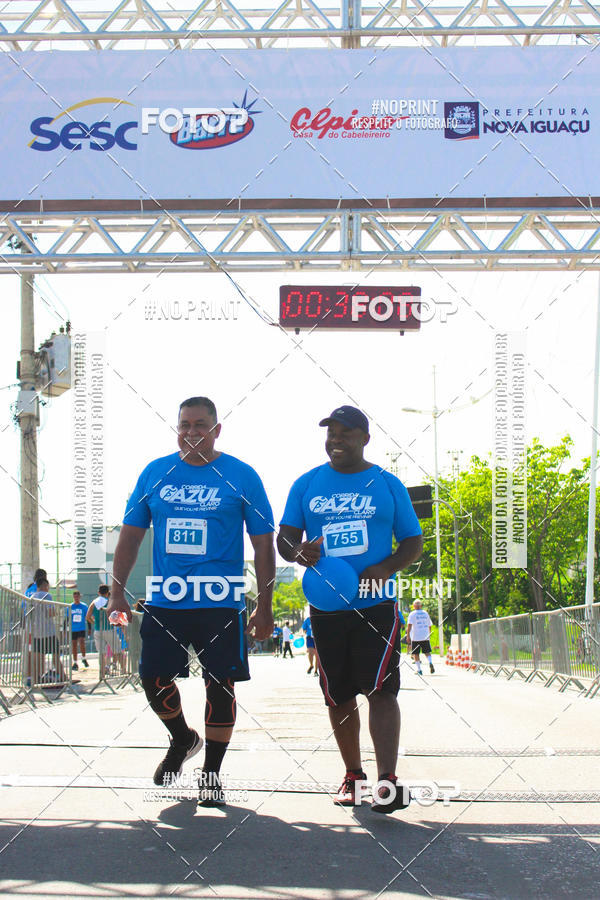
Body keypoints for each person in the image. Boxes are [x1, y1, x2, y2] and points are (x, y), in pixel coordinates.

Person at [107, 396, 275, 807]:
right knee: (152, 677)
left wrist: (265, 604)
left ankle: (211, 774)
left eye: (200, 424)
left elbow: (263, 542)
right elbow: (130, 537)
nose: (191, 432)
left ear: (217, 430)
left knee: (221, 684)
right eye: (184, 424)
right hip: (167, 599)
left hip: (221, 599)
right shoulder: (155, 473)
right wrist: (116, 593)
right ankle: (183, 739)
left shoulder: (242, 476)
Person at [278, 405, 423, 814]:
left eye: (345, 433)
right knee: (337, 695)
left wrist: (386, 567)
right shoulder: (307, 484)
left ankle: (387, 781)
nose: (336, 440)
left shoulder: (387, 484)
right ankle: (353, 776)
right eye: (331, 434)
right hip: (326, 607)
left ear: (365, 438)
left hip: (376, 604)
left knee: (381, 689)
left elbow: (413, 543)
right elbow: (285, 540)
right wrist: (298, 552)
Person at [27, 577, 66, 684]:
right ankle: (63, 678)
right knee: (56, 656)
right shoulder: (47, 595)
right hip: (48, 631)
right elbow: (50, 613)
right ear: (45, 585)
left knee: (38, 658)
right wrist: (57, 612)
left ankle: (35, 680)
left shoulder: (32, 597)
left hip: (36, 632)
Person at [86, 584, 119, 679]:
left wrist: (94, 623)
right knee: (118, 650)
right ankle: (120, 669)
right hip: (109, 629)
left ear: (98, 592)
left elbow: (88, 617)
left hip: (98, 630)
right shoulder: (110, 602)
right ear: (108, 592)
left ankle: (102, 673)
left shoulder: (94, 602)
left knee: (101, 653)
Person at [406, 600, 435, 675]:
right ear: (421, 606)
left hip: (416, 637)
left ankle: (419, 670)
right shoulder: (425, 613)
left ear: (414, 606)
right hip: (425, 636)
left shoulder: (412, 614)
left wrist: (408, 635)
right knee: (427, 652)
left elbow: (409, 625)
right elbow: (429, 625)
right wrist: (428, 634)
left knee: (416, 654)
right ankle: (430, 662)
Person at [69, 590, 89, 670]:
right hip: (73, 628)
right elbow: (67, 618)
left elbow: (87, 617)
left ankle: (84, 658)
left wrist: (89, 628)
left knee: (81, 642)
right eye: (75, 596)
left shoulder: (84, 606)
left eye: (78, 596)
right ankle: (75, 662)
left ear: (80, 597)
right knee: (74, 644)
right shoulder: (70, 606)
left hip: (81, 627)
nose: (76, 598)